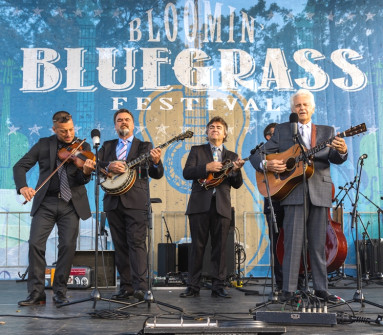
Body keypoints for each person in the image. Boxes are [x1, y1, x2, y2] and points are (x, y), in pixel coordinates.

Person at [250, 89, 348, 303]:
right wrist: (267, 164)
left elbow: (335, 158)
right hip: (292, 192)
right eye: (298, 105)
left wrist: (342, 150)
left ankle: (321, 289)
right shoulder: (283, 131)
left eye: (305, 105)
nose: (302, 108)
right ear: (292, 109)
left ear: (313, 108)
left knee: (318, 244)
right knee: (292, 244)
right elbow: (257, 155)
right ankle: (288, 290)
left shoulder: (326, 131)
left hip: (320, 191)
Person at [13, 111, 95, 306]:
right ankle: (36, 293)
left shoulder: (83, 147)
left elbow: (83, 179)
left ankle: (60, 291)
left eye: (71, 130)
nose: (68, 135)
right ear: (54, 129)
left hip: (71, 203)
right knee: (35, 244)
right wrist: (23, 186)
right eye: (63, 131)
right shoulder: (43, 144)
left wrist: (86, 171)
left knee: (67, 246)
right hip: (46, 202)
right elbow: (20, 166)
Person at [98, 108, 163, 301]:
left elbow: (156, 174)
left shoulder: (144, 146)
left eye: (127, 120)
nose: (123, 122)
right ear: (115, 125)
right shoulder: (107, 146)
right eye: (119, 120)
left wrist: (157, 162)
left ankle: (140, 287)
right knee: (120, 245)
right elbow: (96, 164)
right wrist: (108, 165)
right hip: (113, 201)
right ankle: (125, 287)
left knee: (136, 244)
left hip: (136, 202)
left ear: (133, 124)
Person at [180, 116, 245, 299]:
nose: (215, 129)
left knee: (221, 248)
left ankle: (218, 286)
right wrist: (206, 167)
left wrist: (236, 170)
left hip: (222, 207)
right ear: (207, 132)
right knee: (197, 247)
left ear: (225, 134)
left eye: (219, 127)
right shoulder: (197, 151)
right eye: (211, 127)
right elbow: (187, 173)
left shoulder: (231, 156)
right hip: (199, 205)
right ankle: (193, 287)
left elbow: (238, 184)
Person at [262, 123, 284, 291]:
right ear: (269, 137)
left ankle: (298, 281)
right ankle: (281, 283)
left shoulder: (293, 148)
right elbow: (255, 157)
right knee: (278, 245)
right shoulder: (264, 152)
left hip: (294, 204)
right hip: (274, 205)